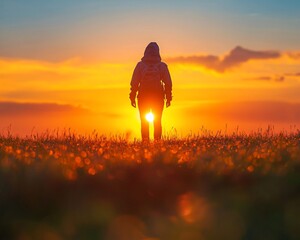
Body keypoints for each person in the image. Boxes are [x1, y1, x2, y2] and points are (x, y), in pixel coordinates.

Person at [129, 42, 172, 141]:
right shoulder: (162, 66)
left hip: (143, 96)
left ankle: (145, 144)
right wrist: (168, 97)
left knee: (144, 122)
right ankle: (157, 144)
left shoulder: (140, 65)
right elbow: (168, 83)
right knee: (157, 122)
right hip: (158, 96)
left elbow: (134, 82)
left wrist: (132, 96)